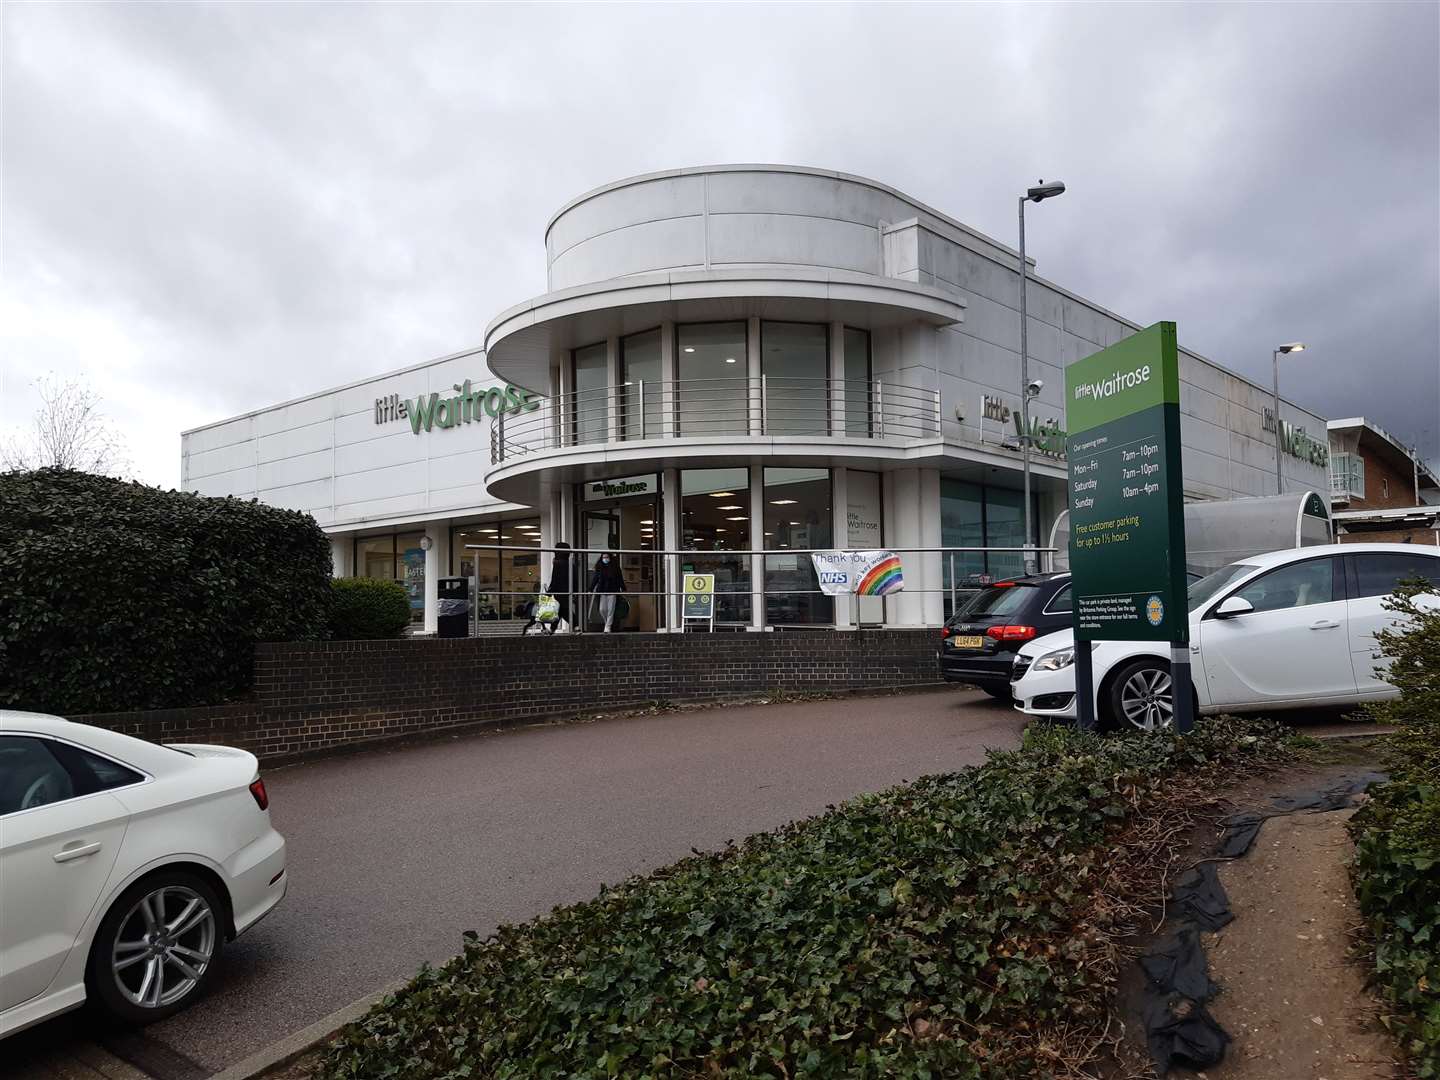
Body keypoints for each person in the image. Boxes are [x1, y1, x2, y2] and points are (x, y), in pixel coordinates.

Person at [589, 550, 625, 632]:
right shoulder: (599, 568)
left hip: (612, 590)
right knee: (602, 609)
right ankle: (607, 623)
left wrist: (623, 588)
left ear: (610, 558)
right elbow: (595, 579)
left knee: (610, 609)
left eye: (607, 557)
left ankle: (608, 626)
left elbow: (620, 578)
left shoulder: (615, 568)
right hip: (602, 591)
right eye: (604, 557)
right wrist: (591, 588)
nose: (605, 559)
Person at [548, 542, 575, 633]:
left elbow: (555, 578)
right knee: (561, 609)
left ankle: (576, 625)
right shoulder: (570, 563)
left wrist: (550, 591)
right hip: (568, 590)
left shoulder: (557, 563)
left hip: (559, 591)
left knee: (562, 609)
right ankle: (553, 628)